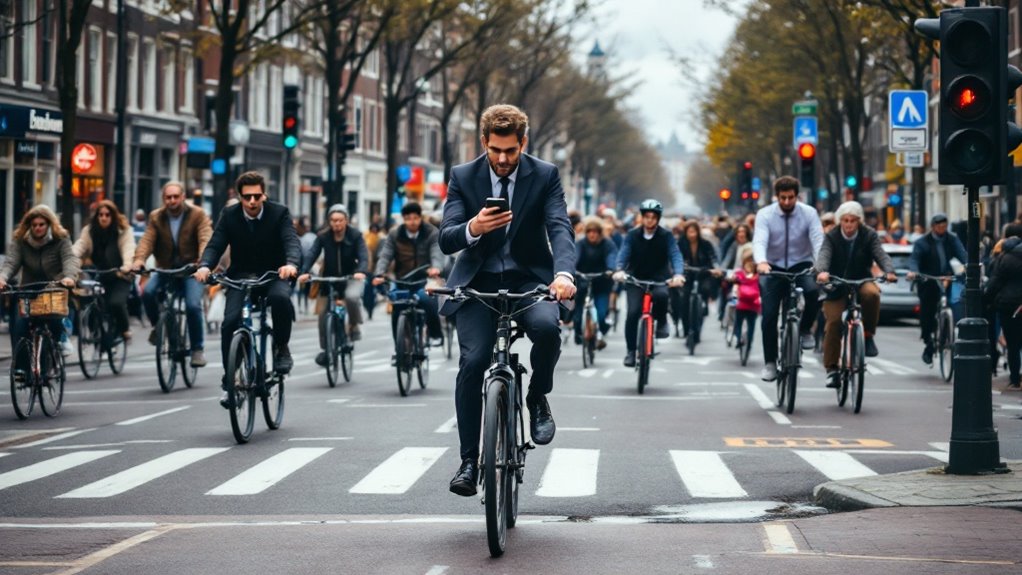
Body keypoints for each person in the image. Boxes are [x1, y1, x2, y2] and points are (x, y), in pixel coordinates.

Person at [438, 104, 576, 497]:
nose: (502, 159)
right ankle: (468, 461)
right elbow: (447, 236)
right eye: (495, 150)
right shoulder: (463, 177)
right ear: (484, 142)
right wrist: (473, 227)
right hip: (477, 284)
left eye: (511, 151)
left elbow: (559, 227)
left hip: (530, 280)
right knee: (474, 361)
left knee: (547, 328)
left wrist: (563, 274)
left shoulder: (545, 175)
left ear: (523, 144)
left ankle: (536, 397)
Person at [194, 171, 302, 403]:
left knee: (281, 300)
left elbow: (291, 241)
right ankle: (230, 377)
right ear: (240, 197)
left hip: (274, 273)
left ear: (264, 195)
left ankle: (281, 347)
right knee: (230, 322)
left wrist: (290, 264)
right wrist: (205, 266)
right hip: (240, 275)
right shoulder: (229, 215)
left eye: (257, 196)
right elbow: (215, 244)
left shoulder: (279, 213)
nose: (252, 202)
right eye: (247, 197)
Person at [815, 201, 897, 389]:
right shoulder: (832, 236)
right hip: (835, 284)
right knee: (834, 322)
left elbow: (880, 254)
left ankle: (867, 335)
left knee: (872, 294)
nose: (849, 224)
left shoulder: (869, 235)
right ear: (839, 221)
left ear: (859, 221)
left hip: (861, 279)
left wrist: (889, 271)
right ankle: (832, 369)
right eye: (845, 220)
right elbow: (824, 255)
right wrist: (822, 271)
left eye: (853, 221)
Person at [133, 181, 212, 367]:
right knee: (148, 292)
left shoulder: (197, 215)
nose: (172, 200)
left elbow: (205, 238)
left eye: (176, 196)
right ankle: (158, 327)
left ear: (183, 197)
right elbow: (147, 240)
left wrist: (203, 262)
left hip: (191, 270)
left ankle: (197, 349)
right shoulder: (156, 217)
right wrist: (139, 259)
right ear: (163, 199)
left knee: (193, 306)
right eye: (168, 197)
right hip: (166, 269)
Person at [753, 176, 824, 381]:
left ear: (797, 196)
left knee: (812, 291)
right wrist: (761, 261)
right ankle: (769, 362)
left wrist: (820, 267)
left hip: (800, 264)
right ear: (777, 197)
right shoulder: (765, 215)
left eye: (790, 198)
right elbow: (759, 240)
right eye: (782, 198)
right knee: (768, 316)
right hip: (772, 267)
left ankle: (804, 330)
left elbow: (818, 241)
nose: (786, 202)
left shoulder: (809, 213)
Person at [612, 199, 685, 367]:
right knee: (632, 313)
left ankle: (662, 321)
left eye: (653, 217)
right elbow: (624, 253)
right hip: (635, 279)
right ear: (642, 217)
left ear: (658, 218)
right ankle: (631, 352)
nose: (650, 220)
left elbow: (675, 255)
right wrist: (619, 270)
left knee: (661, 296)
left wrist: (679, 274)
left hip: (659, 278)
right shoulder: (632, 235)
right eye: (647, 216)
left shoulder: (666, 236)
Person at [0, 205, 80, 355]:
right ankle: (21, 371)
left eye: (41, 225)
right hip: (29, 288)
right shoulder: (21, 240)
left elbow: (70, 259)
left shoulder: (61, 238)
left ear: (49, 224)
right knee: (19, 327)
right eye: (34, 225)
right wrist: (2, 277)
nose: (37, 228)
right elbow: (11, 262)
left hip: (54, 287)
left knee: (54, 319)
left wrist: (69, 277)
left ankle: (60, 338)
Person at [298, 203, 369, 365]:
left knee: (351, 297)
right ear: (329, 221)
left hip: (351, 277)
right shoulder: (323, 236)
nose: (337, 224)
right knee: (323, 314)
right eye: (333, 220)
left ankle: (353, 325)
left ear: (346, 221)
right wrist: (304, 271)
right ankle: (326, 350)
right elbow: (311, 254)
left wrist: (361, 270)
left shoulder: (355, 235)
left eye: (340, 220)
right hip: (328, 279)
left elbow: (363, 255)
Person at [371, 202, 444, 352]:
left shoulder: (431, 232)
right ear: (403, 219)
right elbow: (385, 255)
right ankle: (399, 349)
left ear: (420, 218)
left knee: (428, 301)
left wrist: (435, 267)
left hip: (423, 280)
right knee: (396, 308)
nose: (412, 222)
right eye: (408, 218)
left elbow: (436, 252)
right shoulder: (394, 234)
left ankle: (435, 335)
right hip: (401, 280)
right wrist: (380, 273)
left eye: (415, 218)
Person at [907, 213, 968, 365]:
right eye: (939, 226)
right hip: (928, 280)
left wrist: (969, 265)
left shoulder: (951, 239)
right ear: (933, 227)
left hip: (946, 278)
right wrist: (914, 272)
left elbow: (962, 254)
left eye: (944, 226)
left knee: (951, 304)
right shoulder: (922, 242)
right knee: (927, 312)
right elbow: (915, 259)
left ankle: (947, 331)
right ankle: (928, 342)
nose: (942, 229)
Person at [72, 200, 137, 341]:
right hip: (100, 275)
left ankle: (124, 329)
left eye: (107, 215)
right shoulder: (89, 231)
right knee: (90, 302)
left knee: (116, 303)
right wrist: (70, 261)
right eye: (100, 215)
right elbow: (79, 247)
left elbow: (129, 249)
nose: (104, 218)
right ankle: (96, 331)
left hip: (121, 275)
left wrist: (127, 266)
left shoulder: (123, 230)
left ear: (113, 216)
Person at [984, 223, 1022, 388]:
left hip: (1009, 305)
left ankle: (1015, 379)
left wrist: (985, 299)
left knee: (1013, 344)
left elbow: (995, 283)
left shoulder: (1005, 258)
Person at [573, 216, 617, 348]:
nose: (592, 234)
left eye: (595, 232)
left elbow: (611, 256)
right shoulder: (580, 244)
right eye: (589, 232)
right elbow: (575, 256)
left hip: (601, 282)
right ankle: (578, 334)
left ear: (599, 233)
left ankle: (601, 330)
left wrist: (610, 269)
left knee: (602, 314)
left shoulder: (608, 244)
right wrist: (571, 269)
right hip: (582, 280)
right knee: (578, 313)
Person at [678, 220, 721, 343]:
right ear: (685, 232)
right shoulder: (681, 243)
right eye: (689, 232)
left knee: (704, 294)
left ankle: (703, 308)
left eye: (694, 231)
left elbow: (713, 258)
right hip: (687, 275)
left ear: (698, 232)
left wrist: (715, 268)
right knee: (684, 302)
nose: (692, 234)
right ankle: (687, 331)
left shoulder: (706, 244)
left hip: (703, 274)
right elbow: (677, 258)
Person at [732, 246, 761, 351]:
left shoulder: (740, 273)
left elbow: (735, 282)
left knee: (738, 322)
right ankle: (749, 343)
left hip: (742, 303)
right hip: (754, 304)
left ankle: (738, 338)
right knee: (751, 325)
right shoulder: (759, 275)